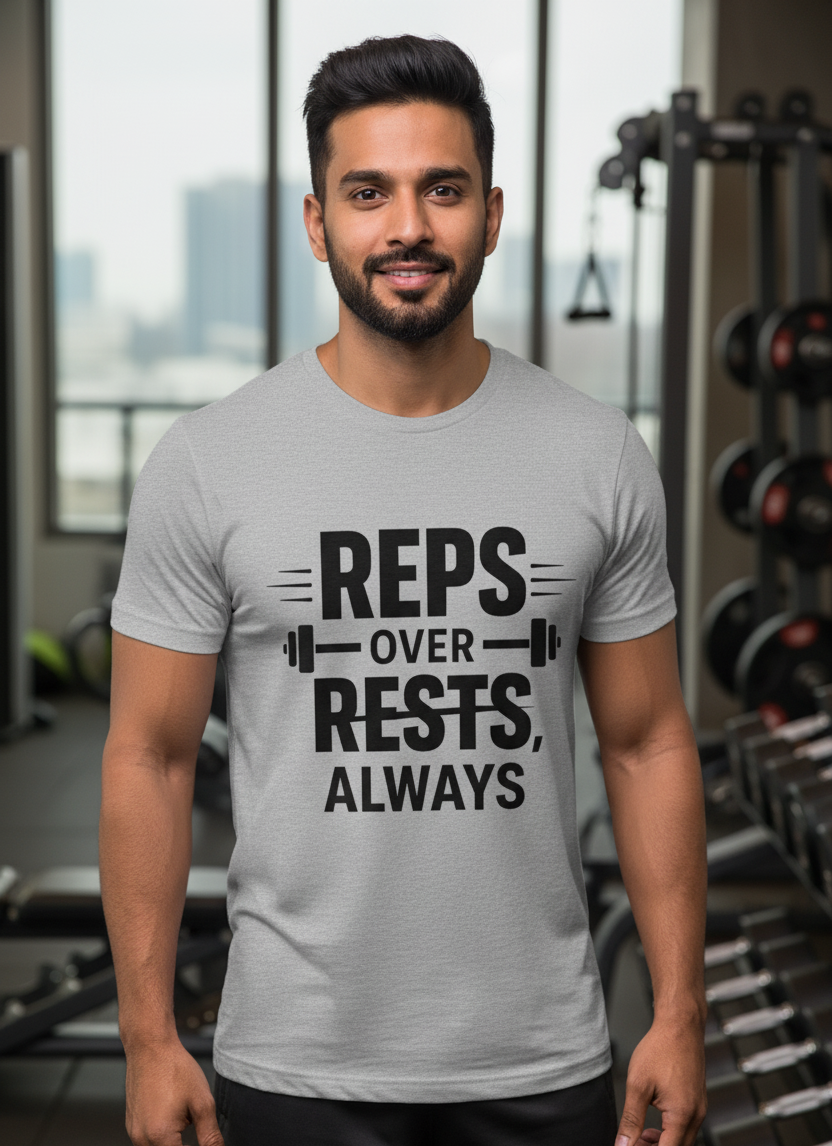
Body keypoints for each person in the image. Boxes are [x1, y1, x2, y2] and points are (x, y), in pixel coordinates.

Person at [100, 33, 707, 1146]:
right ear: (317, 221)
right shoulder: (208, 461)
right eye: (368, 192)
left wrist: (679, 1014)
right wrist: (148, 1041)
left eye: (444, 189)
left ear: (492, 213)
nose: (409, 227)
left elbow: (647, 742)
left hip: (538, 1057)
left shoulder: (596, 454)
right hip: (295, 1060)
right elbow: (150, 756)